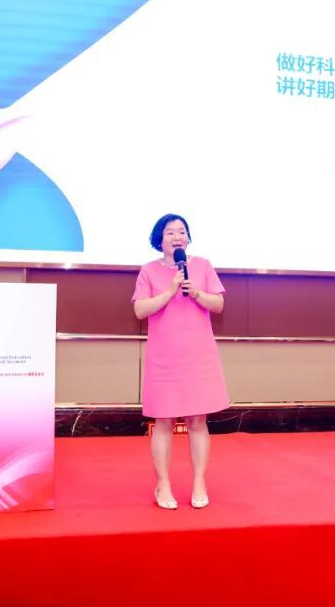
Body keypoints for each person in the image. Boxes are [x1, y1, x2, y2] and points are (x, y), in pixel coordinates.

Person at [132, 214, 229, 510]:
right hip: (164, 359)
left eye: (182, 232)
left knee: (198, 420)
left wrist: (196, 292)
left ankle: (199, 481)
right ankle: (162, 484)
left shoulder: (202, 266)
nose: (177, 237)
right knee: (163, 421)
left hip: (198, 355)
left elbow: (219, 304)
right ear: (159, 239)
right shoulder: (148, 271)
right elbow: (140, 310)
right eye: (170, 232)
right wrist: (170, 291)